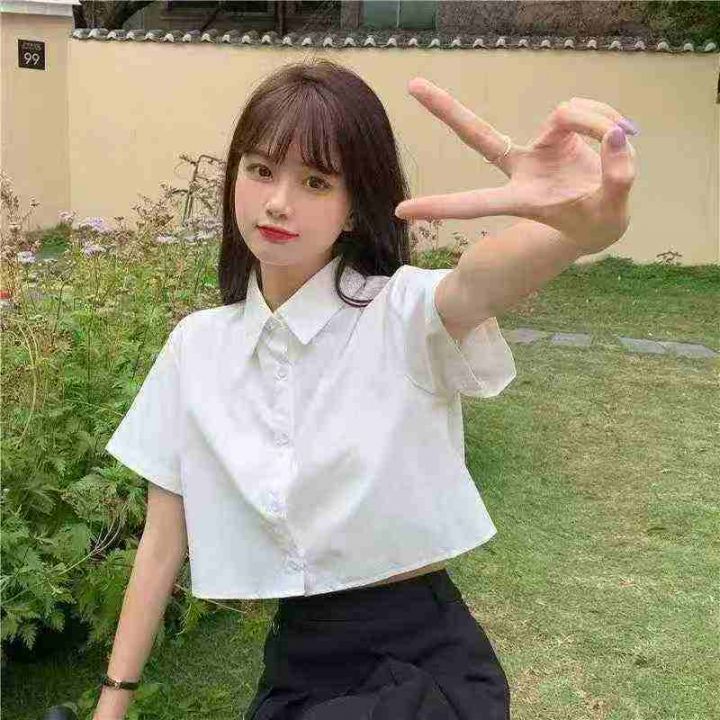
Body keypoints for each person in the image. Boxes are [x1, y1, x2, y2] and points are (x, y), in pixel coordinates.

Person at [94, 58, 637, 719]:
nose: (278, 201)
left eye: (315, 181)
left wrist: (577, 228)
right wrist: (112, 703)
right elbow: (161, 542)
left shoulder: (402, 314)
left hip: (420, 662)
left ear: (354, 209)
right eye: (261, 170)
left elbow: (478, 280)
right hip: (299, 660)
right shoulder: (196, 348)